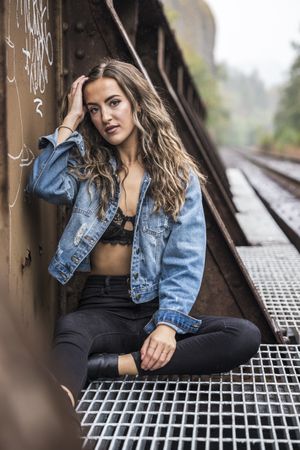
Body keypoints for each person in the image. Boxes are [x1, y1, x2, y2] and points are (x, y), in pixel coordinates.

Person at [25, 58, 261, 410]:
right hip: (102, 308)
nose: (105, 117)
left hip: (154, 308)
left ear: (137, 101)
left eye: (114, 102)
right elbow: (44, 185)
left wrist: (167, 326)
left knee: (243, 335)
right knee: (71, 331)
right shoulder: (90, 165)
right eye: (93, 109)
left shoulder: (178, 176)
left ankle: (116, 366)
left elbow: (185, 258)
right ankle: (58, 415)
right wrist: (70, 119)